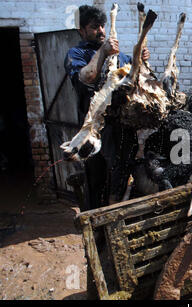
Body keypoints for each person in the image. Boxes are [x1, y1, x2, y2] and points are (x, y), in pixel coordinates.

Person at [64, 5, 150, 209]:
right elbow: (87, 78)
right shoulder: (77, 54)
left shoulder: (123, 58)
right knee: (97, 181)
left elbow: (141, 82)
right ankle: (98, 227)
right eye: (95, 27)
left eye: (102, 26)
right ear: (82, 31)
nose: (102, 31)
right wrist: (103, 52)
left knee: (122, 179)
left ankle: (118, 220)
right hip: (95, 131)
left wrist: (142, 61)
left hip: (123, 130)